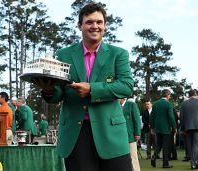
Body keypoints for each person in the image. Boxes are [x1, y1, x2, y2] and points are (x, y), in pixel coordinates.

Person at [33, 3, 134, 171]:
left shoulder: (119, 54)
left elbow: (126, 86)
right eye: (89, 22)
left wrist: (92, 89)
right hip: (76, 135)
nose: (95, 26)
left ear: (105, 26)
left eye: (99, 22)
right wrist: (49, 90)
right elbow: (60, 92)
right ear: (80, 25)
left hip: (112, 134)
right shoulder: (63, 55)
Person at [180, 89, 198, 169]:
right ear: (195, 94)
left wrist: (182, 128)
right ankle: (194, 162)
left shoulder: (184, 103)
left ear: (188, 95)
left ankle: (195, 161)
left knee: (190, 145)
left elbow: (181, 117)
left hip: (188, 127)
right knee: (196, 145)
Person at [150, 89, 177, 168]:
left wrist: (152, 127)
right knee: (165, 146)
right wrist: (174, 127)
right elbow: (171, 117)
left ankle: (154, 156)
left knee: (159, 144)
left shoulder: (155, 104)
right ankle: (165, 164)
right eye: (169, 95)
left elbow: (152, 117)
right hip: (166, 128)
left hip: (158, 128)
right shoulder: (168, 104)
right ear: (168, 95)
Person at [120, 98, 141, 171]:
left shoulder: (132, 105)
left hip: (130, 135)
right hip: (118, 136)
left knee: (133, 156)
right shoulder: (115, 106)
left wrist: (137, 133)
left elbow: (137, 119)